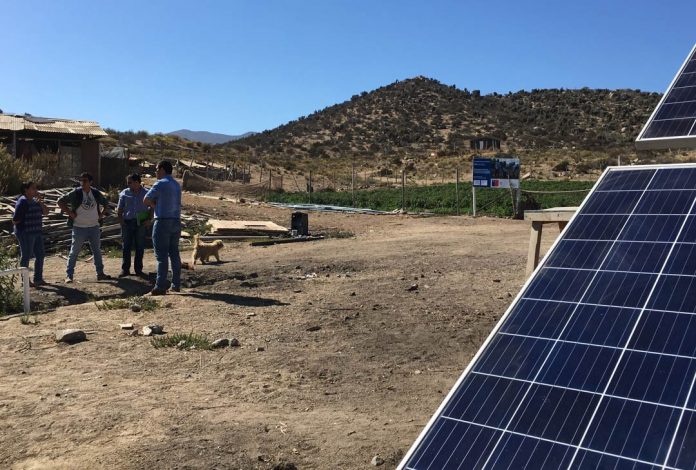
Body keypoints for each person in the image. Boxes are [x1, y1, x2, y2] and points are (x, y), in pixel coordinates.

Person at [58, 172, 112, 283]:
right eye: (81, 180)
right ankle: (69, 276)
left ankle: (100, 273)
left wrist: (101, 215)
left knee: (97, 250)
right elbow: (60, 201)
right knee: (74, 252)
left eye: (85, 180)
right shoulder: (76, 193)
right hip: (79, 227)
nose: (82, 183)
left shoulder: (96, 193)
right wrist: (69, 213)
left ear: (91, 182)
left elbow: (106, 203)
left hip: (94, 227)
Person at [144, 161, 182, 295]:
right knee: (174, 253)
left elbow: (146, 200)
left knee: (161, 255)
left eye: (156, 169)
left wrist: (155, 206)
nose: (155, 172)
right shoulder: (177, 185)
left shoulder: (160, 183)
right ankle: (176, 284)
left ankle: (160, 286)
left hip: (162, 221)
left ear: (162, 169)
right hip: (176, 221)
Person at [12, 181, 49, 287]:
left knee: (40, 255)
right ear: (26, 190)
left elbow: (46, 212)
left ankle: (38, 279)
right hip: (26, 233)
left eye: (35, 188)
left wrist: (41, 202)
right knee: (26, 256)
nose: (35, 190)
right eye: (33, 188)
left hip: (37, 232)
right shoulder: (22, 202)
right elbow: (15, 220)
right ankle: (25, 281)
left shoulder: (35, 201)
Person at [117, 174, 151, 277]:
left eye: (130, 182)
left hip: (141, 222)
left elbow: (153, 206)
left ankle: (138, 270)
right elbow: (120, 208)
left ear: (137, 182)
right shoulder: (125, 193)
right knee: (126, 246)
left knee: (140, 246)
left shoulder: (147, 193)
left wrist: (149, 219)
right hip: (127, 222)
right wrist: (121, 221)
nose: (128, 185)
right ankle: (125, 269)